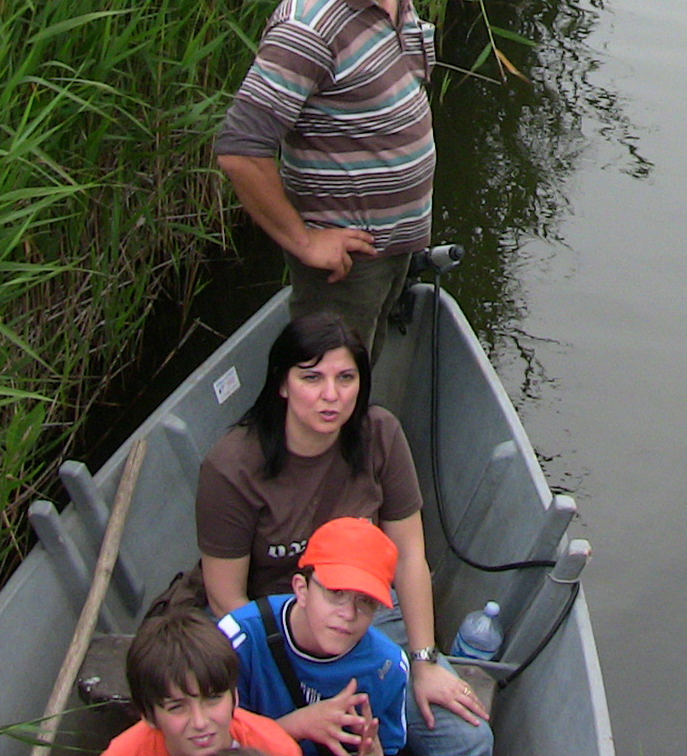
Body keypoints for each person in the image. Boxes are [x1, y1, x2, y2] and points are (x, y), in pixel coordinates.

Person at [197, 315, 489, 756]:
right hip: (273, 630)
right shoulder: (232, 465)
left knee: (465, 740)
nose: (331, 396)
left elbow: (409, 555)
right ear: (282, 384)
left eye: (346, 378)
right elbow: (225, 599)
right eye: (311, 377)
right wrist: (298, 682)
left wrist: (424, 660)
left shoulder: (380, 435)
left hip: (367, 615)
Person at [214, 0, 436, 357]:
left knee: (362, 380)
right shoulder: (309, 28)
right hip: (345, 271)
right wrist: (305, 241)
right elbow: (239, 148)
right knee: (332, 400)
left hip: (393, 246)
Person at [217, 518, 404, 756]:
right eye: (336, 593)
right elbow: (206, 741)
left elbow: (390, 746)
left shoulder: (388, 666)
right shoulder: (239, 638)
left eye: (365, 601)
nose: (348, 613)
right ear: (301, 589)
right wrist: (297, 726)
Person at [106, 613, 301, 756]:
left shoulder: (275, 749)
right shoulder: (124, 753)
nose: (200, 722)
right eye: (176, 707)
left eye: (213, 699)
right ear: (148, 715)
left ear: (235, 696)